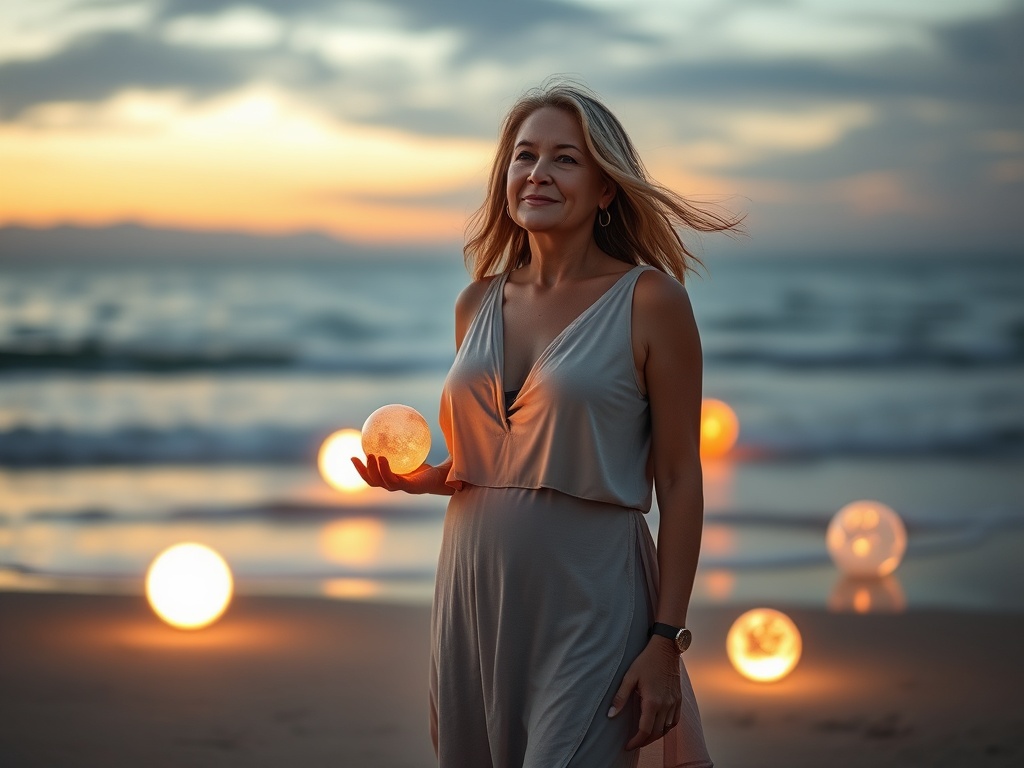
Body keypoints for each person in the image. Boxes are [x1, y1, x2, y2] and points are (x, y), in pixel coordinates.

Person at [353, 80, 742, 768]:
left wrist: (665, 640)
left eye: (565, 159)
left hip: (592, 595)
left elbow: (680, 480)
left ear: (605, 189)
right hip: (475, 592)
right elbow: (506, 458)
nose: (537, 173)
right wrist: (429, 480)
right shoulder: (475, 303)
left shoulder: (650, 300)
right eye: (524, 155)